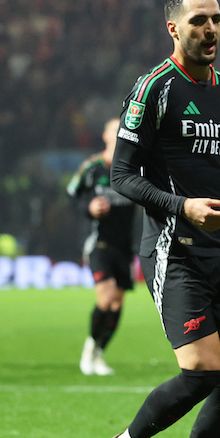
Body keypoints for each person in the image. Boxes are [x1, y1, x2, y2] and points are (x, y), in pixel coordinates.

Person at [102, 0, 220, 438]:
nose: (210, 30)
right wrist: (182, 207)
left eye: (216, 20)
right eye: (198, 22)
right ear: (174, 29)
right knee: (202, 369)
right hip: (174, 248)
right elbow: (121, 176)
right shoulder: (154, 90)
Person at [67, 118, 138, 375]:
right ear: (106, 136)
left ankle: (98, 354)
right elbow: (72, 197)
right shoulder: (92, 168)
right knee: (106, 299)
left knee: (117, 305)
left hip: (125, 245)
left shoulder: (133, 167)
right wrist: (89, 208)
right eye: (115, 129)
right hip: (99, 243)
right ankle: (89, 351)